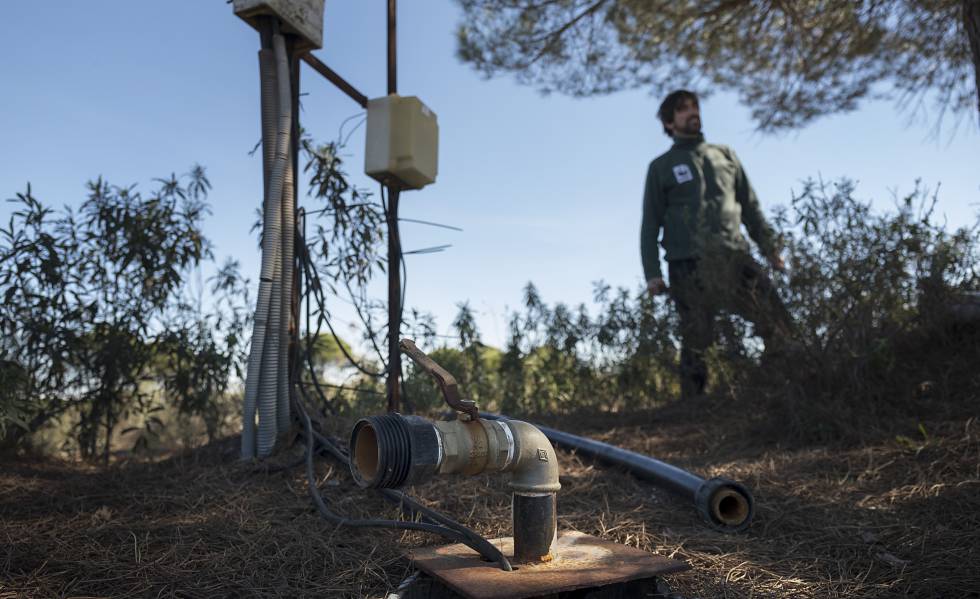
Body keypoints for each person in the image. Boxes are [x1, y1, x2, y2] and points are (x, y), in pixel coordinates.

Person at [640, 90, 794, 399]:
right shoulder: (661, 166)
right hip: (686, 262)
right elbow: (650, 222)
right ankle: (693, 408)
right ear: (670, 123)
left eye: (694, 107)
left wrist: (770, 249)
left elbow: (751, 207)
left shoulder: (725, 155)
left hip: (734, 254)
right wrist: (652, 273)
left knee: (778, 321)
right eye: (682, 110)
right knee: (697, 336)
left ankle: (772, 388)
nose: (692, 113)